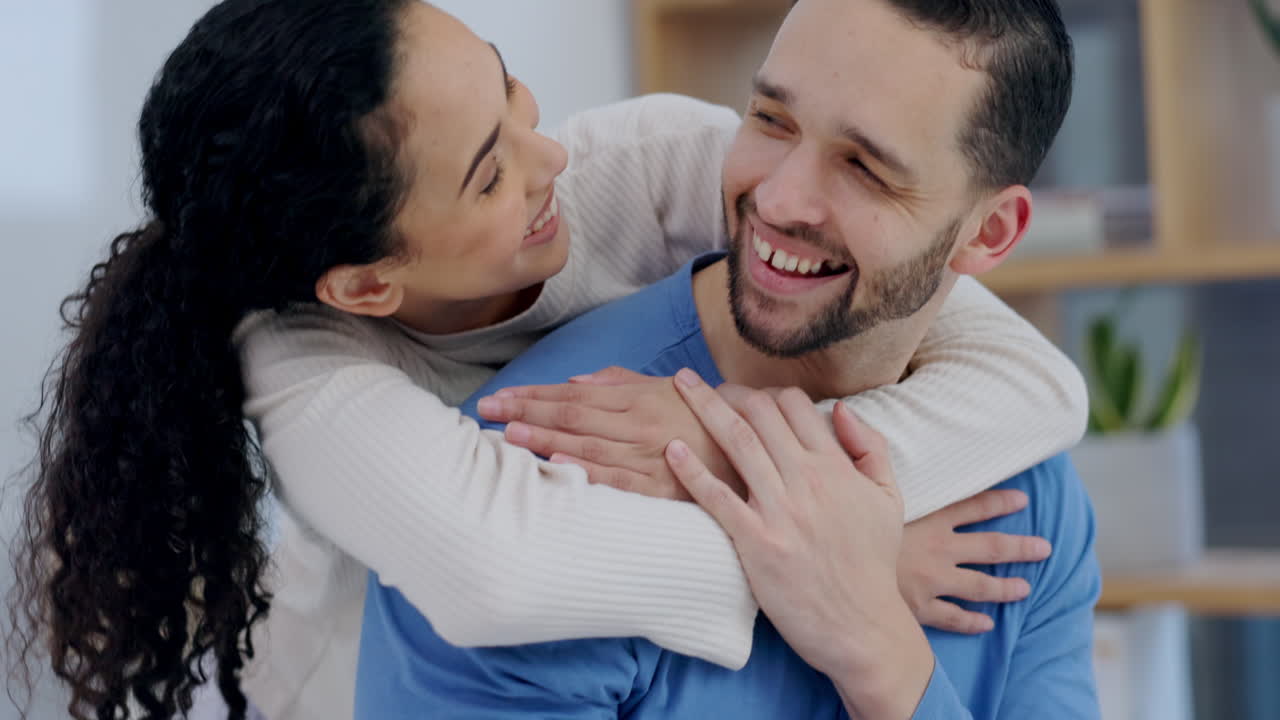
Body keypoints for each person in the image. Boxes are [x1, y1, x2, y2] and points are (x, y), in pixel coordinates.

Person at [8, 1, 1085, 719]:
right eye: (485, 175)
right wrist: (830, 564)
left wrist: (870, 616)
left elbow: (1034, 385)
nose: (552, 155)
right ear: (367, 285)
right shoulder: (329, 380)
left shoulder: (646, 167)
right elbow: (498, 570)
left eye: (510, 90)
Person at [353, 0, 1099, 718]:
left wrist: (879, 654)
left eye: (865, 168)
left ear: (990, 233)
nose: (778, 198)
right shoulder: (526, 491)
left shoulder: (1018, 486)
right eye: (771, 120)